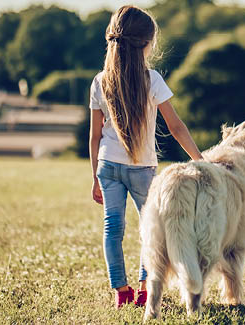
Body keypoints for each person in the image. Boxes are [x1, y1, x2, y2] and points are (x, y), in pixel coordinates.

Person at [88, 5, 203, 309]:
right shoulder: (152, 79)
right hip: (142, 169)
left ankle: (121, 291)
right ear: (147, 44)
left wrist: (94, 177)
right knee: (150, 229)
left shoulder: (100, 80)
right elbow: (176, 127)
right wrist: (199, 160)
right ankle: (143, 290)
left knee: (112, 228)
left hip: (107, 167)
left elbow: (95, 136)